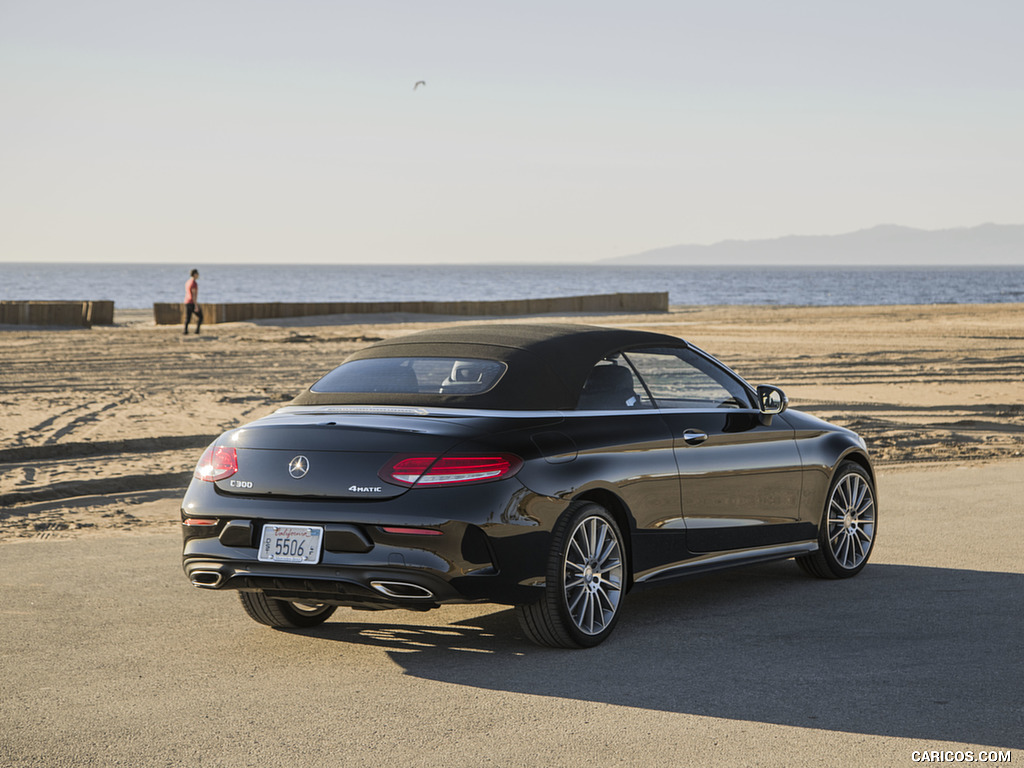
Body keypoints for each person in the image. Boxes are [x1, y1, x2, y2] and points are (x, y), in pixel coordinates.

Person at [184, 269, 203, 334]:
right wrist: (196, 305)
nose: (198, 275)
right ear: (195, 274)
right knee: (201, 317)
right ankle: (197, 331)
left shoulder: (188, 282)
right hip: (191, 302)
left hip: (187, 301)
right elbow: (193, 295)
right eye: (197, 274)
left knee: (188, 318)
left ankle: (185, 331)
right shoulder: (194, 283)